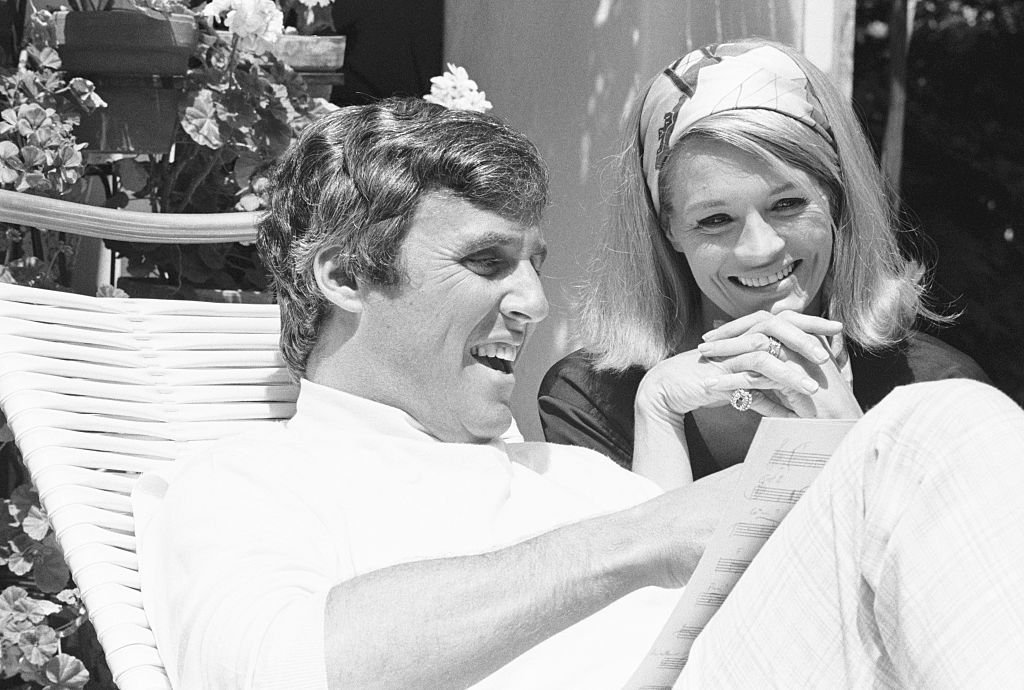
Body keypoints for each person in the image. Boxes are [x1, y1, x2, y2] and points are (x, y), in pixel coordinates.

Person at [133, 96, 1024, 690]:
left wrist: (807, 457)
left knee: (928, 429)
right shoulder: (244, 479)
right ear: (341, 276)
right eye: (486, 262)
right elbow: (269, 670)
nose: (532, 301)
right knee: (935, 426)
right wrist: (636, 539)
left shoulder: (566, 475)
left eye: (533, 264)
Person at [538, 39, 989, 489]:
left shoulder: (938, 391)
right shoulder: (590, 399)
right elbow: (633, 562)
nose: (760, 249)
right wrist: (656, 410)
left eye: (788, 204)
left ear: (835, 199)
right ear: (667, 229)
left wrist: (848, 440)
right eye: (715, 219)